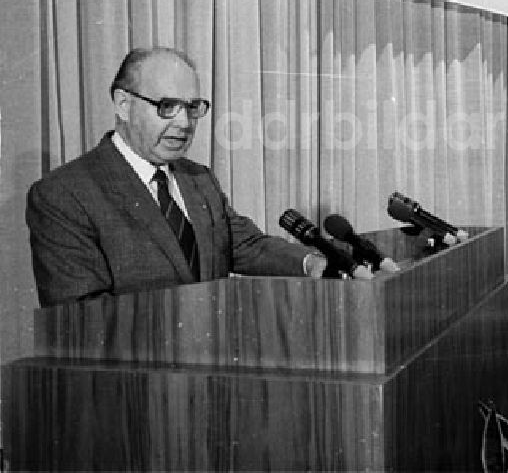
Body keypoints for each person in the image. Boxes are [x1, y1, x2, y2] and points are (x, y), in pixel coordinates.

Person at [25, 48, 339, 308]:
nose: (184, 122)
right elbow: (82, 316)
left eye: (192, 107)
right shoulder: (64, 195)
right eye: (167, 106)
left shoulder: (198, 178)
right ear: (123, 104)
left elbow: (245, 246)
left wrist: (312, 264)